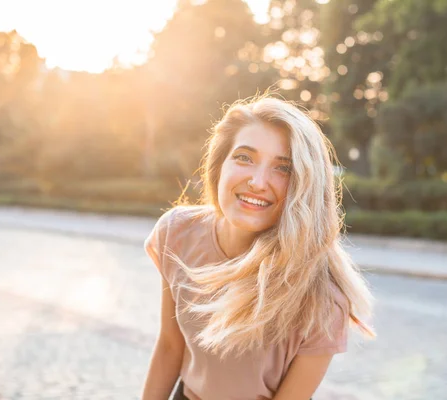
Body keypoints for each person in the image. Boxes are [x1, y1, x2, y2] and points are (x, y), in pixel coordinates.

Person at [142, 95, 375, 400]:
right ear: (219, 165)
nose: (257, 181)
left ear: (305, 186)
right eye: (244, 157)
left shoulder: (322, 297)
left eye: (284, 168)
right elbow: (171, 346)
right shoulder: (177, 232)